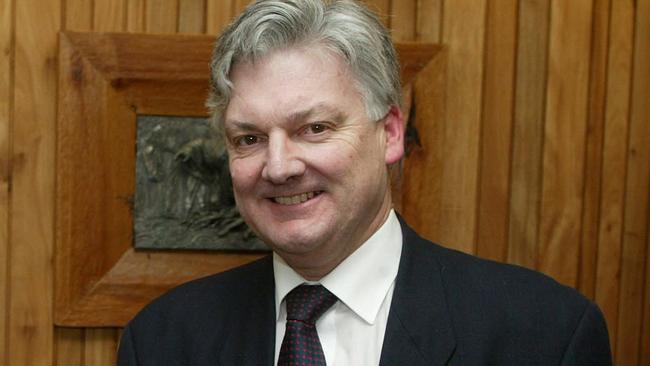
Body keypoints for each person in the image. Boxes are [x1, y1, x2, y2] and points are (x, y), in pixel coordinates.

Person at [117, 0, 612, 365]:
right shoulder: (163, 341)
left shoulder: (545, 335)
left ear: (390, 133)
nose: (279, 166)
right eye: (249, 138)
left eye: (314, 128)